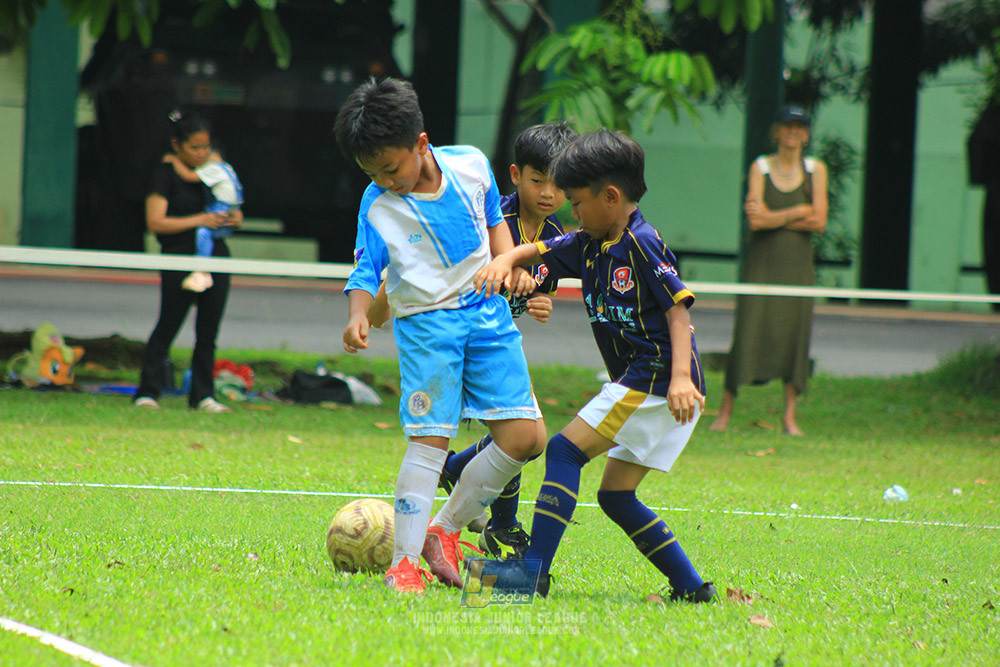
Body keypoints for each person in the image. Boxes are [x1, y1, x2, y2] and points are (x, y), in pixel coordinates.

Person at [475, 129, 715, 602]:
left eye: (577, 203)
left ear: (611, 196)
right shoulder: (589, 240)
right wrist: (507, 261)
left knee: (564, 451)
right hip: (643, 383)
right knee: (616, 496)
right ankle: (690, 587)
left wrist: (683, 379)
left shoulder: (642, 243)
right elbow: (538, 253)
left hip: (658, 378)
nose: (571, 214)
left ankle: (531, 575)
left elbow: (677, 310)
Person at [334, 77, 542, 594]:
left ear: (421, 144)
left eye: (391, 168)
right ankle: (403, 564)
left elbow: (495, 221)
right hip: (427, 325)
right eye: (372, 173)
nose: (385, 181)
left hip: (488, 316)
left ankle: (441, 532)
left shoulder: (471, 164)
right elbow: (365, 270)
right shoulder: (376, 204)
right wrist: (359, 314)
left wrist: (507, 262)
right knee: (431, 440)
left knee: (526, 438)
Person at [436, 122, 578, 561]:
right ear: (516, 175)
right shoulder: (492, 218)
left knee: (528, 439)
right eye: (539, 180)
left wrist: (541, 303)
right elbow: (465, 273)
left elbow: (539, 290)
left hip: (501, 341)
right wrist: (503, 275)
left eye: (558, 184)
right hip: (466, 338)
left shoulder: (555, 236)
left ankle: (456, 472)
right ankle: (498, 524)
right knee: (524, 436)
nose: (549, 192)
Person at [709, 105, 828, 436]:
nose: (792, 132)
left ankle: (789, 416)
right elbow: (756, 221)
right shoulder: (760, 166)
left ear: (805, 135)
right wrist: (799, 210)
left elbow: (819, 220)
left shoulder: (815, 169)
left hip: (798, 266)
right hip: (761, 265)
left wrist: (778, 215)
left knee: (795, 334)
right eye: (787, 126)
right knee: (748, 330)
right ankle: (725, 411)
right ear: (777, 131)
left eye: (799, 127)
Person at [133, 111, 241, 414]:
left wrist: (230, 218)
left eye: (205, 147)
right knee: (168, 323)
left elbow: (236, 210)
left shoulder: (215, 173)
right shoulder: (163, 175)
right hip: (180, 254)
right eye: (194, 147)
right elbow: (156, 222)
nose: (201, 153)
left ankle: (203, 396)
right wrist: (200, 220)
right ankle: (148, 391)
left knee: (208, 332)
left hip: (216, 255)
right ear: (176, 145)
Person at [163, 146, 244, 293]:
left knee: (203, 232)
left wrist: (173, 160)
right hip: (232, 207)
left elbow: (188, 176)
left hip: (222, 207)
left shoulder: (214, 168)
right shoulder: (227, 168)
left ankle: (201, 271)